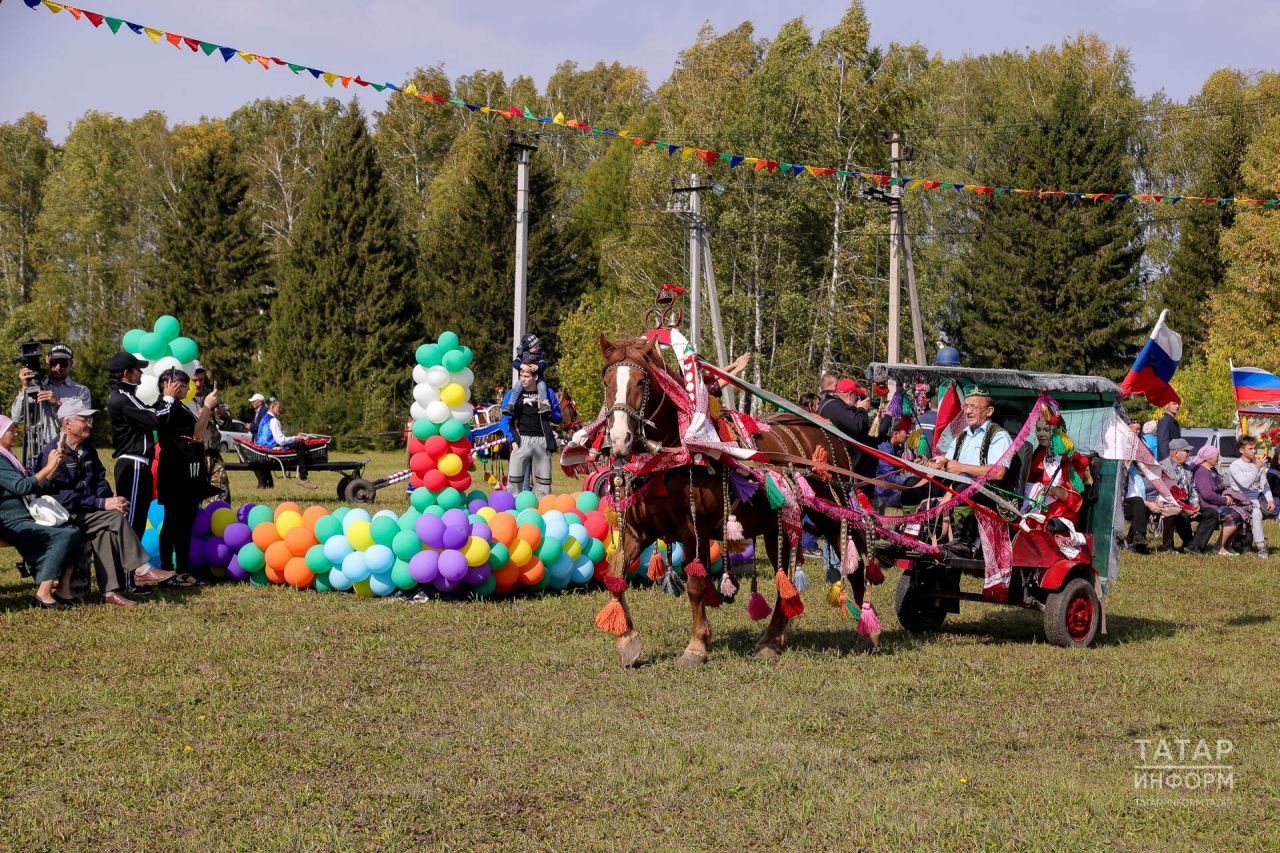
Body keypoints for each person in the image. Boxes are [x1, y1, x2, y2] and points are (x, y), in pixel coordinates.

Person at [38, 399, 173, 605]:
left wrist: (110, 498)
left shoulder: (88, 450)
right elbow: (63, 498)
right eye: (85, 419)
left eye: (91, 419)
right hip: (64, 514)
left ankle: (109, 593)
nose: (90, 424)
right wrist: (102, 504)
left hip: (87, 511)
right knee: (113, 517)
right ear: (67, 424)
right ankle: (139, 568)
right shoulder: (54, 452)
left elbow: (100, 479)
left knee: (107, 528)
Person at [106, 352, 183, 587]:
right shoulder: (121, 398)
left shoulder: (128, 396)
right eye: (136, 369)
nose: (140, 372)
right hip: (133, 464)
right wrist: (167, 398)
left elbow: (152, 414)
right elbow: (154, 421)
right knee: (132, 522)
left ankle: (130, 580)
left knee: (137, 520)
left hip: (138, 464)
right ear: (125, 373)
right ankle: (129, 577)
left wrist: (165, 398)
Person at [0, 414, 80, 608]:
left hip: (25, 514)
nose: (16, 432)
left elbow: (35, 486)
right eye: (10, 429)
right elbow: (22, 487)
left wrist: (54, 467)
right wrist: (49, 466)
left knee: (73, 529)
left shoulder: (8, 456)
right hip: (10, 520)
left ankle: (64, 589)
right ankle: (43, 594)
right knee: (63, 534)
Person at [156, 368, 222, 584]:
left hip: (190, 472)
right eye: (182, 383)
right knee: (173, 522)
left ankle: (183, 570)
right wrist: (207, 407)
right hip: (175, 472)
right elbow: (195, 433)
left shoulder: (181, 407)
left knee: (185, 523)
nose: (186, 387)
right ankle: (168, 571)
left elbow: (197, 433)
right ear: (169, 384)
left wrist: (206, 411)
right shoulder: (165, 407)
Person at [10, 343, 91, 469]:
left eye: (63, 363)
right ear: (47, 360)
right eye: (54, 362)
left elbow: (83, 424)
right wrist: (25, 387)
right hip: (37, 454)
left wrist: (58, 403)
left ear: (71, 363)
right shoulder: (35, 386)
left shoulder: (81, 391)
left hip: (68, 453)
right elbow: (16, 418)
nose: (58, 367)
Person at [500, 362, 562, 497]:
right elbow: (504, 421)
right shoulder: (513, 394)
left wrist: (548, 412)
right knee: (514, 484)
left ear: (535, 377)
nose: (523, 379)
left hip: (542, 442)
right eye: (521, 376)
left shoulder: (547, 393)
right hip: (521, 441)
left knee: (543, 486)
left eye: (527, 376)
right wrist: (513, 441)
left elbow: (559, 418)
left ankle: (542, 513)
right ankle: (513, 513)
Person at [930, 387, 1010, 481]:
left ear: (989, 411)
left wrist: (962, 468)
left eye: (974, 407)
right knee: (912, 482)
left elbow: (998, 472)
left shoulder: (999, 436)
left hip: (983, 490)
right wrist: (935, 463)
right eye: (965, 406)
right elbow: (949, 462)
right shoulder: (962, 435)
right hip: (956, 484)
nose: (967, 411)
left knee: (961, 486)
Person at [1158, 438, 1217, 553]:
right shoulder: (1163, 467)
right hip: (1170, 503)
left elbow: (1193, 488)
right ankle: (1171, 546)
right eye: (1186, 451)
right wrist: (1185, 508)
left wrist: (1195, 505)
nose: (1189, 454)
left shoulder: (1187, 468)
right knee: (1180, 513)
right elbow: (1168, 492)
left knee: (1212, 514)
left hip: (1187, 504)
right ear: (1176, 453)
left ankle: (1195, 546)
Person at [1190, 445, 1244, 557]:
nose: (1218, 458)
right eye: (1216, 456)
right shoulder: (1202, 472)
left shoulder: (1212, 469)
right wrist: (1225, 500)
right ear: (1208, 458)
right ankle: (1219, 547)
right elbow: (1207, 494)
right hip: (1207, 504)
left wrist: (1230, 496)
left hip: (1217, 501)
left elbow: (1221, 487)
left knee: (1242, 512)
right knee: (1233, 516)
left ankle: (1226, 545)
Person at [1227, 435, 1274, 558]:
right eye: (1250, 448)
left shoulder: (1257, 464)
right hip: (1241, 501)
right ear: (1242, 450)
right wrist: (1257, 468)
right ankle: (1261, 547)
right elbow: (1245, 483)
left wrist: (1270, 500)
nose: (1254, 451)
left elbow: (1265, 485)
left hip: (1258, 500)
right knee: (1257, 513)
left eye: (1254, 448)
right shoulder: (1235, 465)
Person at [255, 398, 317, 490]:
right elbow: (281, 441)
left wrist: (294, 438)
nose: (281, 409)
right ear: (272, 407)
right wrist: (296, 438)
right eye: (279, 407)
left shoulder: (264, 418)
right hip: (271, 447)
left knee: (297, 442)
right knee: (301, 444)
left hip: (264, 447)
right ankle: (303, 478)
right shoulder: (273, 421)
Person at [246, 393, 273, 489]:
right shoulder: (258, 411)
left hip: (263, 442)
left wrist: (251, 426)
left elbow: (262, 426)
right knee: (262, 462)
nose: (252, 403)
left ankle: (263, 483)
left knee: (257, 462)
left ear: (260, 402)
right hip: (259, 441)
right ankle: (267, 483)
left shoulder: (264, 411)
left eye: (254, 401)